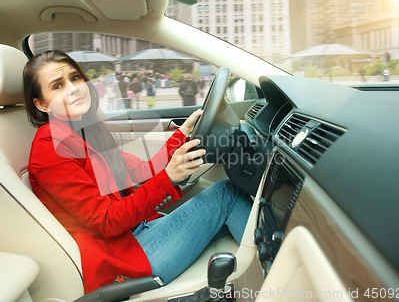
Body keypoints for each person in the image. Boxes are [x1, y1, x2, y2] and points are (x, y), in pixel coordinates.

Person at [22, 50, 253, 294]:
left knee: (230, 198)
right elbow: (106, 221)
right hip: (127, 259)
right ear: (41, 104)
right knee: (228, 195)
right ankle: (278, 282)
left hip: (137, 234)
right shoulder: (50, 147)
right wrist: (168, 178)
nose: (73, 88)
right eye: (57, 86)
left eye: (75, 78)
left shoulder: (86, 130)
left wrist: (183, 132)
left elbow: (143, 171)